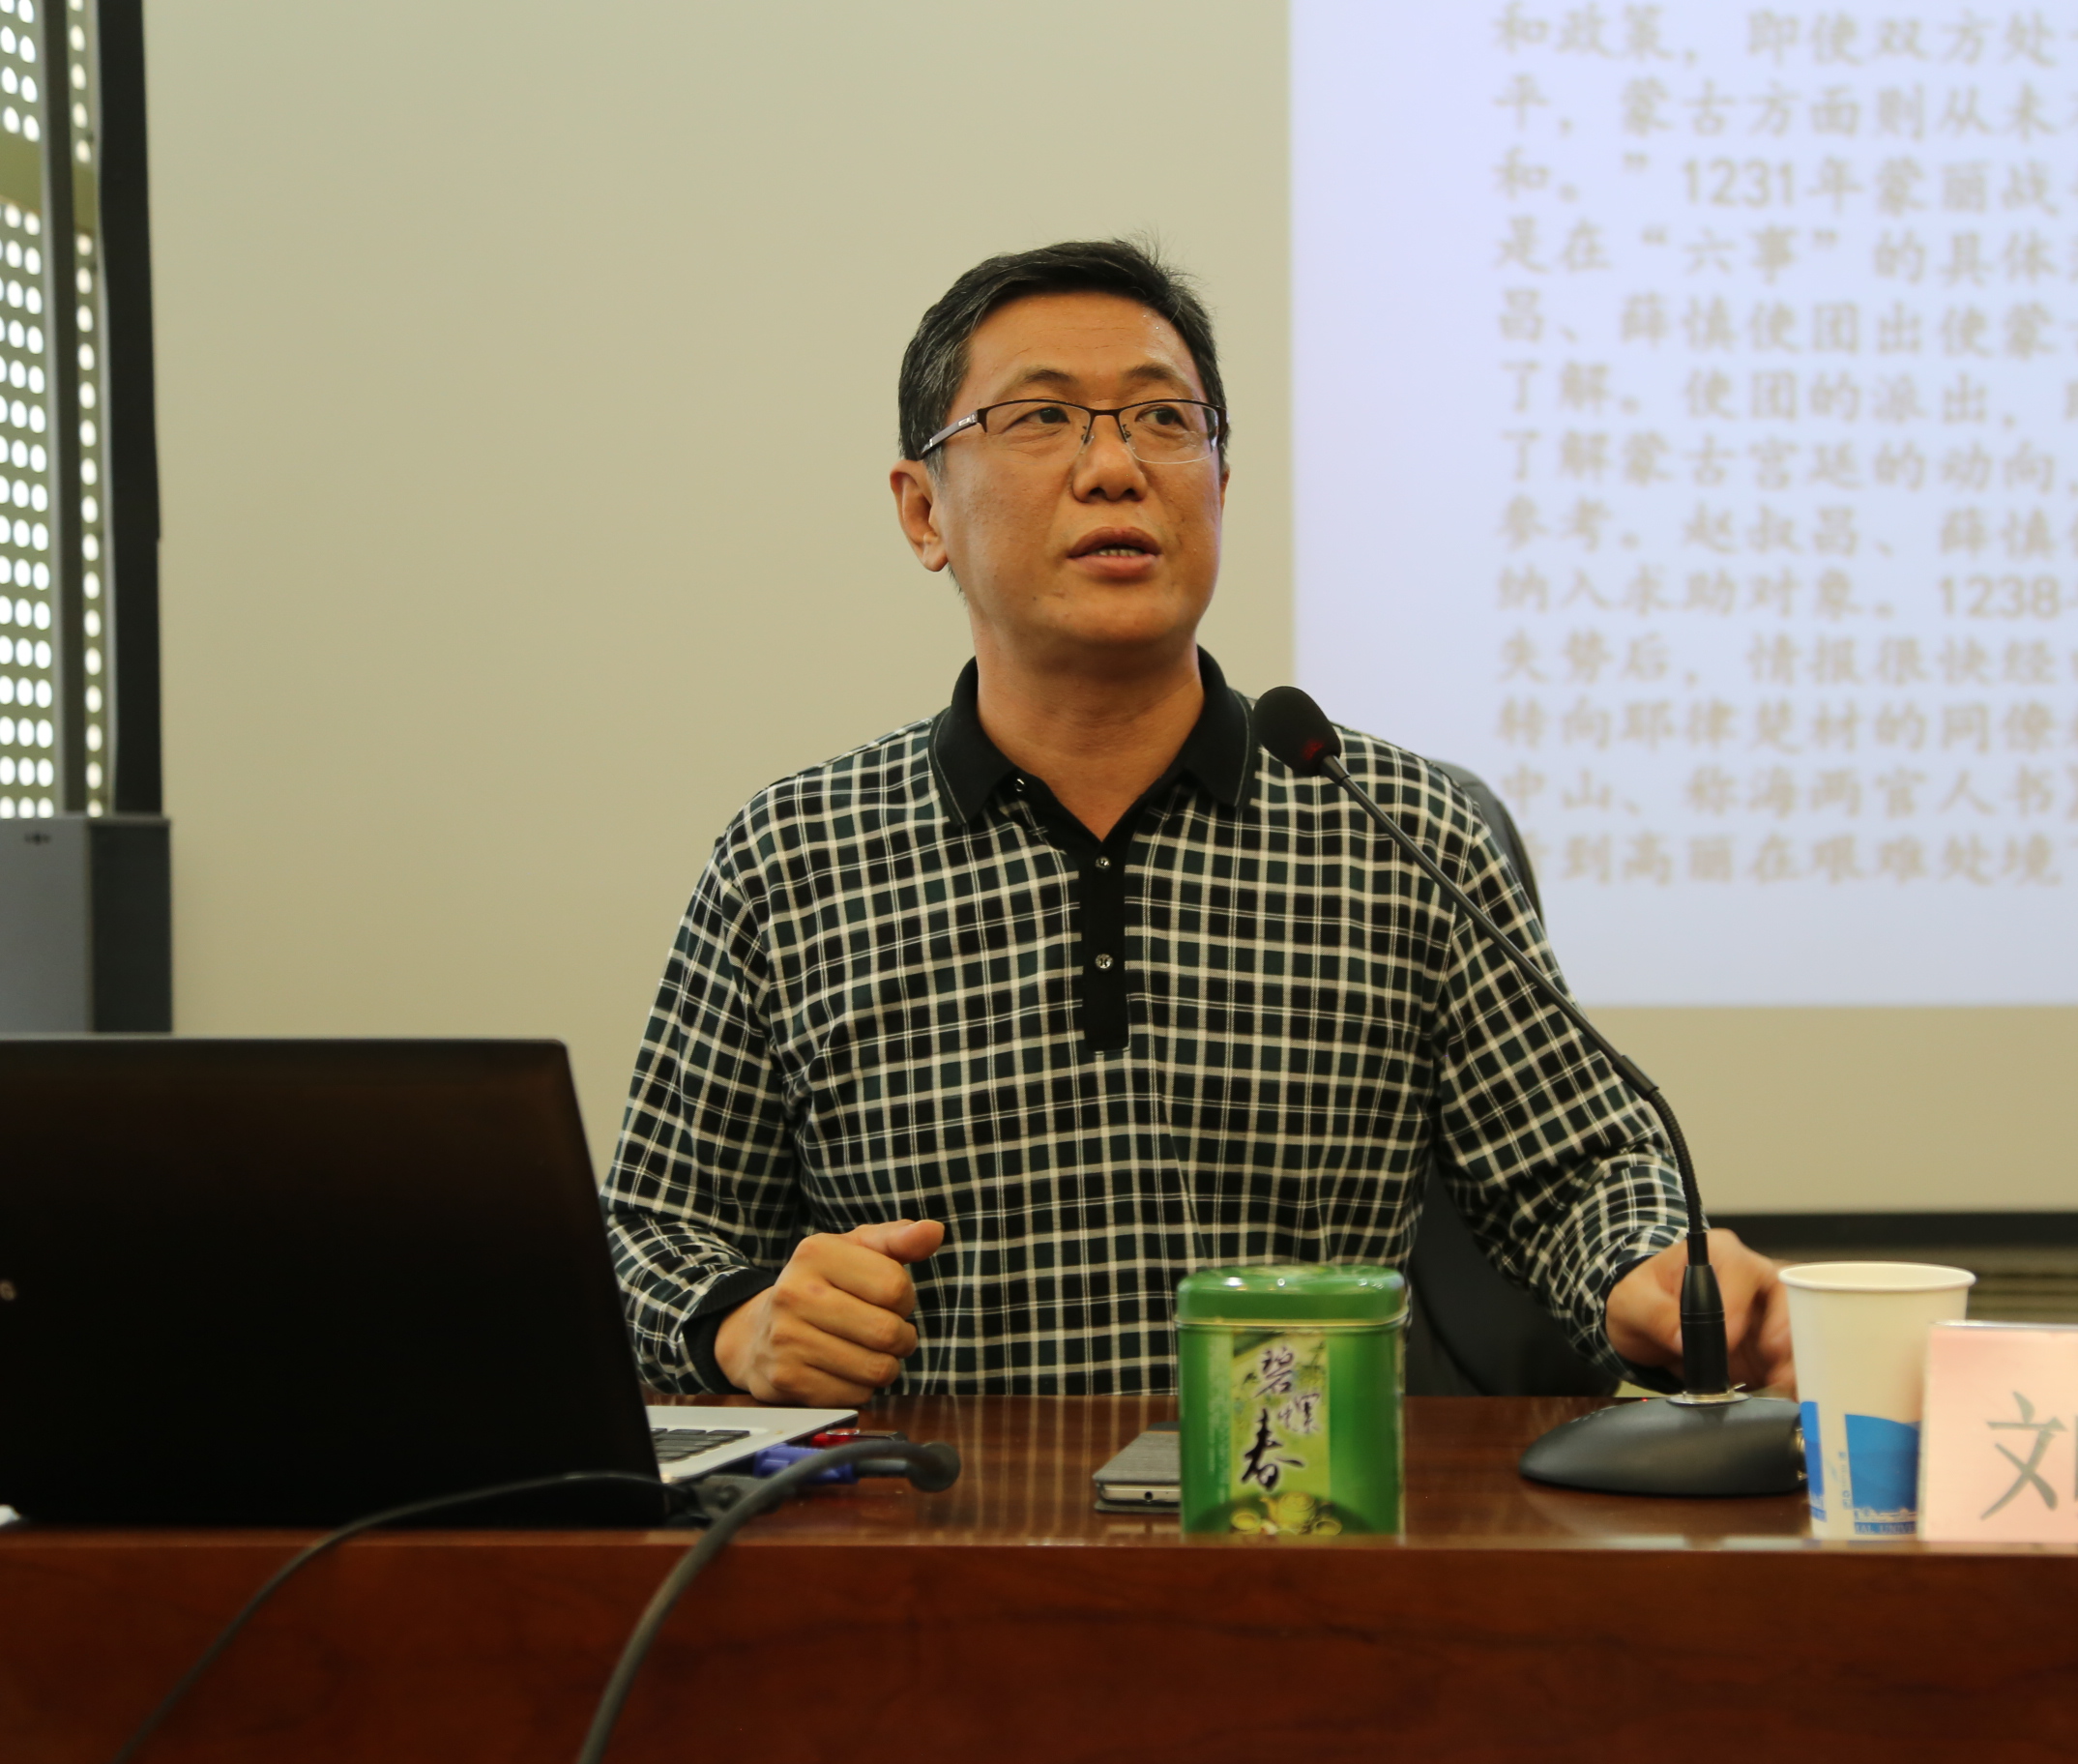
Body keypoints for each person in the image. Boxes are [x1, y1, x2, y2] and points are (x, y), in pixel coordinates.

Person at [601, 239, 1791, 1403]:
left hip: (1308, 1513)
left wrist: (1654, 1271)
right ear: (924, 512)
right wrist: (744, 1325)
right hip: (936, 1518)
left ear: (1221, 484)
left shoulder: (1398, 830)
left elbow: (1576, 1176)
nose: (1115, 467)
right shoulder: (796, 858)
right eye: (1042, 417)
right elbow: (651, 1236)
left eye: (1165, 419)